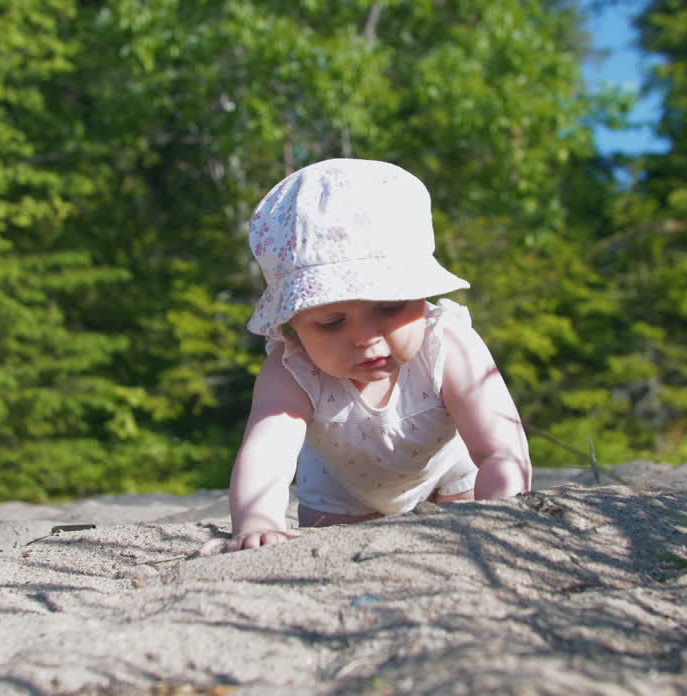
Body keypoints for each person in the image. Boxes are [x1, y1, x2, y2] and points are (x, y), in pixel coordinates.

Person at [225, 158, 531, 552]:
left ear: (421, 296)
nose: (366, 337)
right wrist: (258, 519)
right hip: (341, 490)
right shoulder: (292, 369)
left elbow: (499, 448)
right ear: (291, 326)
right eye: (332, 322)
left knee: (473, 501)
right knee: (329, 536)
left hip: (445, 471)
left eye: (389, 309)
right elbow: (268, 452)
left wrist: (503, 514)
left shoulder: (447, 344)